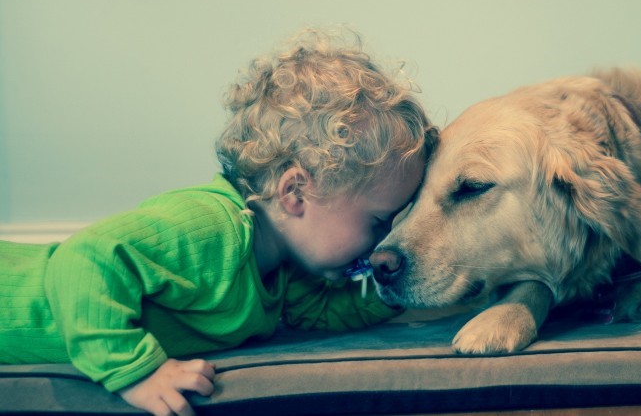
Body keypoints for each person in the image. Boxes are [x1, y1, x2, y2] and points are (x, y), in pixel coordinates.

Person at [0, 28, 438, 416]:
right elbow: (86, 258)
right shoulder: (211, 227)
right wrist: (133, 371)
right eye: (379, 221)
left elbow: (324, 313)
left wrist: (403, 282)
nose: (385, 238)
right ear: (296, 193)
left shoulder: (284, 270)